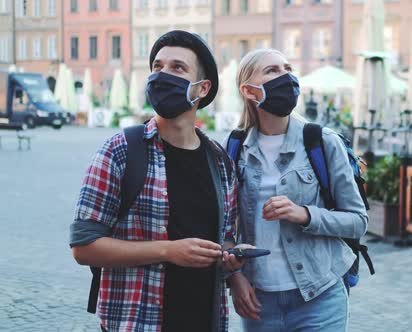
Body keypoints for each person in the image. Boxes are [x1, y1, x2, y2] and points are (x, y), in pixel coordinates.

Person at [69, 30, 244, 332]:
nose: (162, 76)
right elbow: (83, 246)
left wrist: (231, 257)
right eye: (157, 67)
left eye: (177, 68)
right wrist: (168, 250)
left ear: (201, 88)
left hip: (205, 320)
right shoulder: (120, 150)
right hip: (138, 323)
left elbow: (225, 238)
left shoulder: (220, 162)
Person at [226, 48, 368, 331]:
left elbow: (358, 221)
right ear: (249, 91)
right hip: (258, 300)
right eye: (272, 71)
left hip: (320, 296)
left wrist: (304, 214)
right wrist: (235, 277)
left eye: (288, 68)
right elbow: (224, 227)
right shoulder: (235, 149)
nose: (286, 76)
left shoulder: (323, 142)